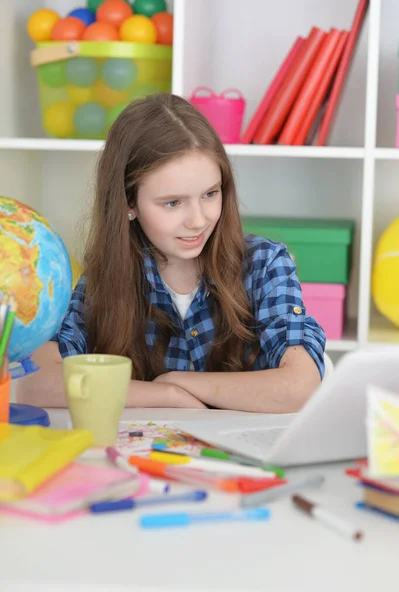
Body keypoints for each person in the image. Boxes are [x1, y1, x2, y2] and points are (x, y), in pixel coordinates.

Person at [17, 93, 326, 412]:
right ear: (129, 203)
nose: (198, 220)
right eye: (173, 203)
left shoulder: (265, 265)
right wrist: (167, 397)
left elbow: (301, 388)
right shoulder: (105, 279)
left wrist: (181, 381)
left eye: (210, 194)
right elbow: (34, 382)